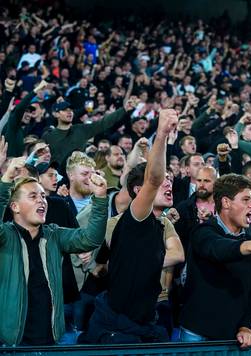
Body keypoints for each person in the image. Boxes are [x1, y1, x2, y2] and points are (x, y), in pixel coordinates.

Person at [82, 109, 182, 344]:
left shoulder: (161, 223)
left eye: (171, 180)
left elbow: (178, 254)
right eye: (164, 181)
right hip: (118, 331)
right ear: (139, 193)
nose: (168, 184)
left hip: (144, 323)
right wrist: (161, 135)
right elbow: (154, 178)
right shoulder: (135, 219)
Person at [0, 156, 109, 345]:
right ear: (15, 207)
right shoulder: (6, 236)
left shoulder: (54, 235)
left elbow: (90, 238)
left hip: (51, 339)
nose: (41, 200)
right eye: (33, 196)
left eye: (43, 196)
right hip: (13, 343)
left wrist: (99, 199)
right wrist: (6, 179)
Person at [179, 174, 251, 348]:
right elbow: (218, 249)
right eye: (246, 200)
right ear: (226, 203)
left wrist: (246, 327)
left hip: (231, 337)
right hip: (196, 333)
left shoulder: (249, 241)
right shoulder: (202, 232)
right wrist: (250, 246)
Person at [42, 96, 137, 166]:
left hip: (80, 176)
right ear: (56, 114)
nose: (69, 112)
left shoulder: (81, 129)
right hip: (58, 180)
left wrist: (124, 109)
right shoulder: (48, 136)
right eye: (64, 110)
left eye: (70, 110)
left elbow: (103, 123)